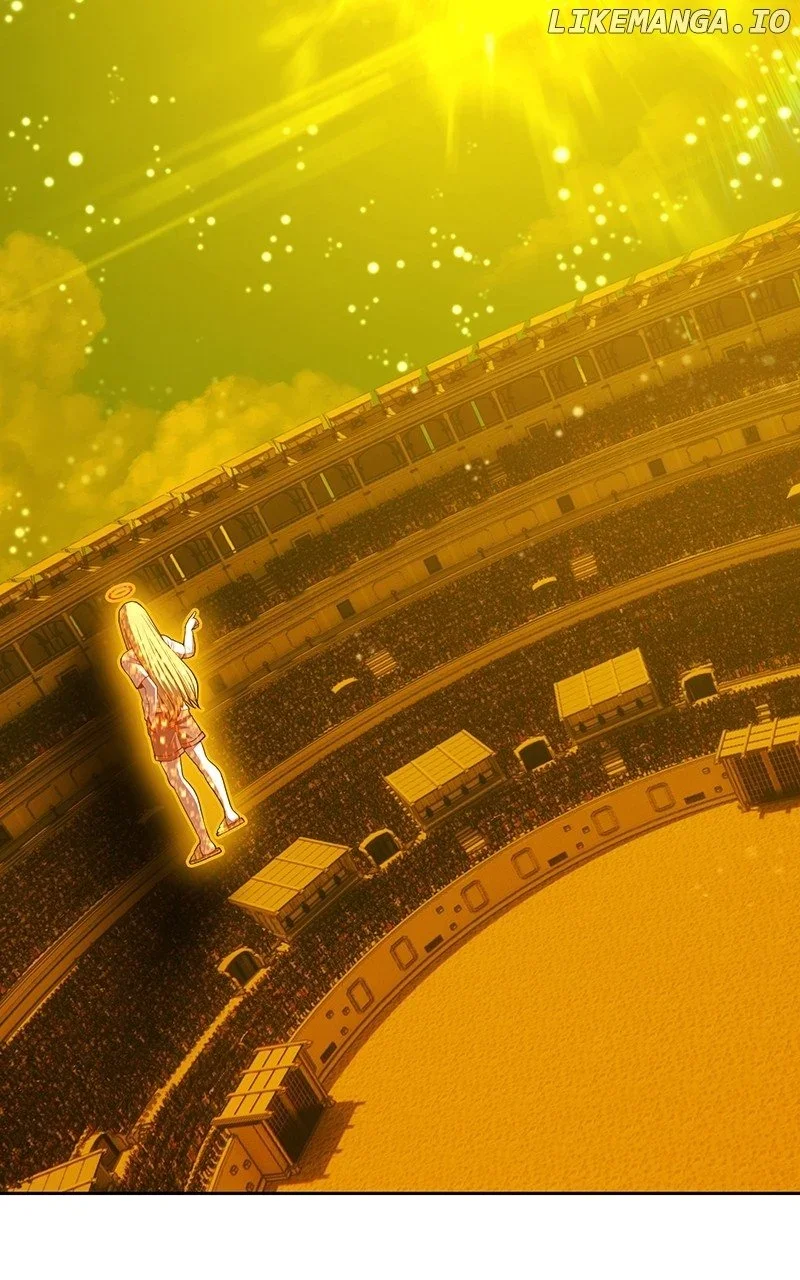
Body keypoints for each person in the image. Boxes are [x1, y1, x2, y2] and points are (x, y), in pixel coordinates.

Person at [118, 599, 245, 867]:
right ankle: (230, 813)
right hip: (181, 710)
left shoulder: (129, 658)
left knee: (177, 780)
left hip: (161, 723)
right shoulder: (162, 643)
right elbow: (187, 651)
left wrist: (152, 714)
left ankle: (205, 842)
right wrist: (188, 628)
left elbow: (150, 688)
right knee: (204, 763)